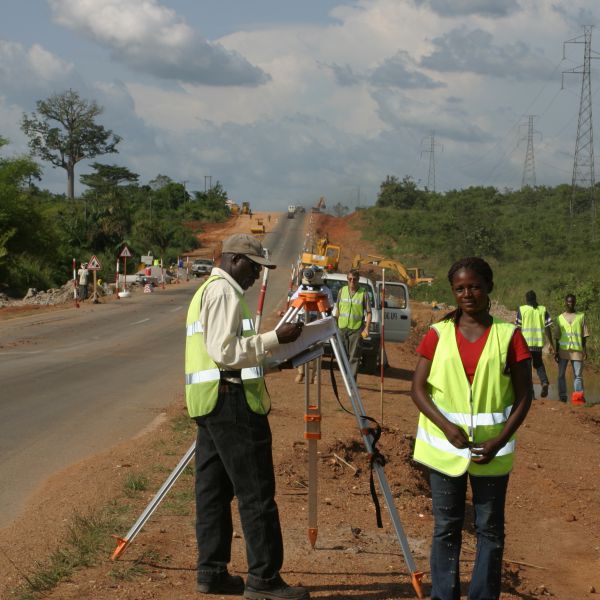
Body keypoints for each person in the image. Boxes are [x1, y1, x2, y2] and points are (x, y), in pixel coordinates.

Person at [185, 233, 310, 599]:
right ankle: (265, 580)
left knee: (213, 492)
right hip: (232, 403)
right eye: (255, 268)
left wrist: (271, 362)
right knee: (256, 493)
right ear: (236, 260)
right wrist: (276, 338)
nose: (257, 276)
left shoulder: (207, 290)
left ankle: (212, 571)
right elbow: (225, 352)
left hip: (210, 402)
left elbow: (221, 355)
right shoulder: (224, 292)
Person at [411, 257, 531, 600]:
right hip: (444, 451)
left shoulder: (509, 337)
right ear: (452, 291)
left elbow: (525, 396)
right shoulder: (438, 334)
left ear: (488, 287)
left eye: (475, 286)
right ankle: (443, 595)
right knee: (446, 528)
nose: (468, 293)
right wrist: (447, 427)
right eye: (460, 288)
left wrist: (500, 439)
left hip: (492, 453)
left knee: (490, 530)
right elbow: (418, 390)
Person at [290, 266, 334, 384]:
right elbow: (293, 301)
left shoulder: (325, 290)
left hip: (317, 320)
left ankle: (315, 376)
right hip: (303, 320)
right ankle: (301, 372)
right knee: (301, 348)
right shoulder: (302, 288)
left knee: (317, 348)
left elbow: (330, 306)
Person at [515, 290, 554, 399]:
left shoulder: (522, 310)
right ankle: (544, 382)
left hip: (525, 344)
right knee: (539, 364)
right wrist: (551, 343)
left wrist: (515, 343)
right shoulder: (542, 309)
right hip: (538, 343)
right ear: (536, 298)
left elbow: (518, 328)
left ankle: (531, 395)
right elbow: (547, 328)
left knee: (527, 369)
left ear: (526, 299)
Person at [335, 269, 371, 379]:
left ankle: (351, 380)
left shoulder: (363, 293)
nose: (352, 281)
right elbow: (338, 310)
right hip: (341, 328)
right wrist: (334, 326)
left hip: (356, 330)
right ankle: (346, 377)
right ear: (347, 279)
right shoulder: (342, 291)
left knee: (354, 357)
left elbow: (369, 313)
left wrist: (366, 328)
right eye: (350, 279)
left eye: (354, 279)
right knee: (341, 355)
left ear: (358, 280)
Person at [555, 293, 589, 404]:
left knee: (578, 376)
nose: (571, 303)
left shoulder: (581, 316)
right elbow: (557, 337)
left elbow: (584, 336)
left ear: (575, 302)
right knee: (561, 375)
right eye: (569, 301)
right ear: (565, 302)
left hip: (577, 350)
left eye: (573, 301)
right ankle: (563, 396)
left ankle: (578, 397)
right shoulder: (559, 318)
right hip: (563, 350)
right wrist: (556, 351)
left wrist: (585, 350)